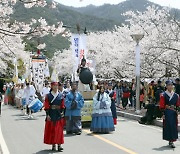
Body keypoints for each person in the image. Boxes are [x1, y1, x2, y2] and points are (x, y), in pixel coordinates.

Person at [44, 81, 65, 152]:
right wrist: (48, 115)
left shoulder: (61, 95)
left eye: (57, 85)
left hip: (58, 113)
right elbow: (46, 106)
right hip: (51, 113)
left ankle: (59, 145)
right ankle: (53, 145)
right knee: (52, 129)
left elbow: (62, 105)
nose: (56, 87)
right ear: (52, 86)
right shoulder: (48, 96)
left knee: (59, 130)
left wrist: (62, 112)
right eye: (54, 86)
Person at [159, 80, 180, 148]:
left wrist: (177, 111)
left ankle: (173, 140)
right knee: (169, 126)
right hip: (167, 112)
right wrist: (163, 113)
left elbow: (178, 105)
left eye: (171, 85)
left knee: (174, 126)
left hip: (174, 113)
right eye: (169, 85)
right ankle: (170, 140)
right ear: (166, 86)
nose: (170, 86)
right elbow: (162, 105)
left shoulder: (176, 95)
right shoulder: (163, 95)